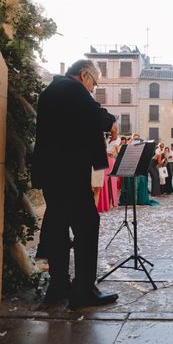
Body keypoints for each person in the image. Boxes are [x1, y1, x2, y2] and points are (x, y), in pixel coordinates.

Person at [32, 59, 118, 308]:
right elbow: (95, 114)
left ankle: (59, 286)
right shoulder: (72, 90)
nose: (92, 89)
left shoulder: (52, 91)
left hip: (52, 173)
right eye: (94, 84)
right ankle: (83, 291)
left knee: (58, 227)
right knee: (87, 226)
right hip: (69, 172)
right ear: (84, 75)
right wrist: (111, 121)